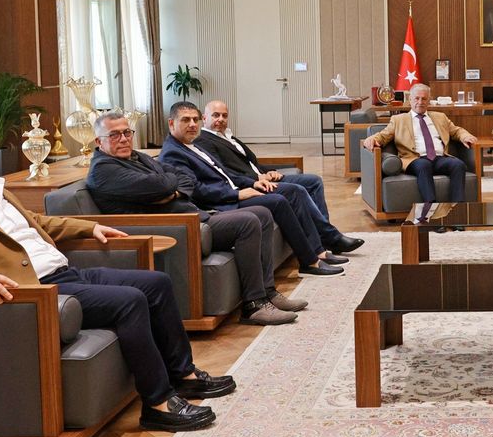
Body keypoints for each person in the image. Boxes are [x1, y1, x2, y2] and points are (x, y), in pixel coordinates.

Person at [0, 126, 234, 432]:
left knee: (156, 282)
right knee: (130, 300)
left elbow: (37, 222)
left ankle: (183, 375)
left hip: (66, 272)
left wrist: (89, 227)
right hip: (37, 290)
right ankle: (158, 403)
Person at [86, 111, 305, 325]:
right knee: (247, 222)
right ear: (98, 141)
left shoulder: (138, 156)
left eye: (127, 132)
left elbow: (183, 178)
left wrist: (171, 192)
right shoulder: (104, 170)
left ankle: (267, 292)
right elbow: (161, 184)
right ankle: (254, 306)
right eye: (114, 135)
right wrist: (167, 186)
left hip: (191, 216)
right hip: (172, 227)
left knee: (262, 214)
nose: (124, 139)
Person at [159, 102, 345, 277]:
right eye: (186, 120)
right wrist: (238, 193)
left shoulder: (191, 145)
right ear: (171, 123)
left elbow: (225, 173)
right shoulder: (173, 152)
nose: (192, 124)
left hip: (236, 190)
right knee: (279, 200)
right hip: (221, 202)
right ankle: (310, 261)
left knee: (294, 191)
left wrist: (254, 183)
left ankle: (317, 252)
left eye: (195, 119)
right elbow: (197, 189)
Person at [197, 99, 363, 255]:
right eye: (216, 115)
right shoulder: (204, 140)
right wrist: (256, 180)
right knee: (297, 190)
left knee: (314, 181)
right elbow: (224, 172)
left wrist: (270, 171)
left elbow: (250, 163)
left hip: (263, 178)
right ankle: (330, 237)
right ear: (204, 118)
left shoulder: (228, 136)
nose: (221, 119)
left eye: (224, 116)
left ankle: (324, 235)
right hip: (250, 185)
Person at [362, 83, 478, 202]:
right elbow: (383, 135)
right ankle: (431, 206)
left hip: (439, 158)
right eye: (417, 98)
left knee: (458, 164)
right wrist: (372, 139)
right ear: (410, 100)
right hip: (414, 159)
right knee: (424, 165)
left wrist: (465, 136)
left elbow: (456, 131)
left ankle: (457, 206)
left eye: (424, 99)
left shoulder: (440, 117)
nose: (420, 102)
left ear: (429, 101)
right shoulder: (398, 120)